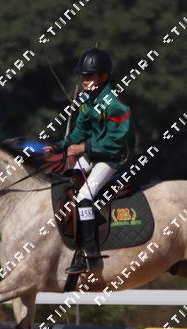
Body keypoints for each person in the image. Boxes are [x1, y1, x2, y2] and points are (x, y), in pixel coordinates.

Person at [44, 47, 135, 274]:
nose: (85, 80)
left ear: (104, 76)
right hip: (93, 155)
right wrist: (59, 145)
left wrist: (84, 147)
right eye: (83, 76)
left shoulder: (115, 105)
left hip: (112, 158)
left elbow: (115, 142)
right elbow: (79, 133)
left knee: (84, 195)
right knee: (66, 180)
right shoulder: (87, 100)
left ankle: (90, 255)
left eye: (90, 76)